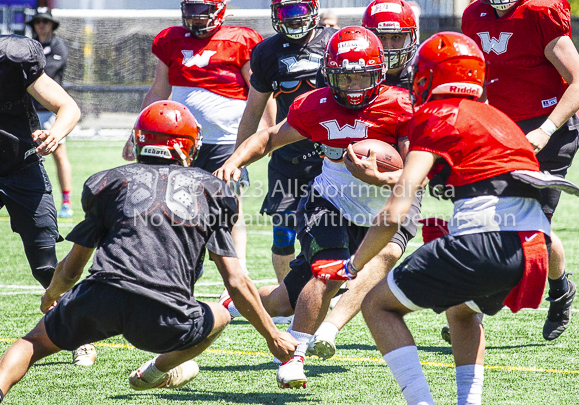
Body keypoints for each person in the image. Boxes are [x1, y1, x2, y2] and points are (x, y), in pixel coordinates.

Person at [322, 32, 579, 405]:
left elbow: (396, 212)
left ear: (426, 78)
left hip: (484, 242)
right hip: (534, 251)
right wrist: (384, 177)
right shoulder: (501, 120)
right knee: (461, 311)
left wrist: (353, 264)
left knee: (376, 305)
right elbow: (473, 175)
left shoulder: (433, 115)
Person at [0, 101, 297, 404]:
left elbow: (72, 269)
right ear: (186, 147)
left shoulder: (107, 182)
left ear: (140, 140)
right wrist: (272, 336)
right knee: (221, 314)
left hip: (103, 297)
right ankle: (157, 371)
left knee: (31, 343)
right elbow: (235, 280)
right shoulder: (212, 191)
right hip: (164, 313)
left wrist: (52, 292)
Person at [216, 27, 415, 388]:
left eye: (362, 76)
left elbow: (416, 174)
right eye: (345, 76)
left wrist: (381, 178)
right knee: (328, 274)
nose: (354, 86)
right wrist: (236, 160)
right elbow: (270, 137)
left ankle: (231, 301)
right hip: (329, 204)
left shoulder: (400, 105)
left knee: (282, 302)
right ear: (328, 73)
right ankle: (295, 358)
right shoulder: (316, 104)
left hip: (376, 213)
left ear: (379, 73)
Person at [460, 0, 579, 341]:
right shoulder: (475, 14)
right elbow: (478, 76)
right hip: (503, 131)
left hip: (549, 132)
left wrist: (545, 130)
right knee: (493, 219)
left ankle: (481, 307)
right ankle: (561, 286)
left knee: (531, 227)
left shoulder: (539, 12)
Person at [304, 0, 422, 361]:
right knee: (301, 290)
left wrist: (387, 175)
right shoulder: (351, 68)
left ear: (413, 39)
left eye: (396, 39)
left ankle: (330, 328)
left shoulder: (423, 73)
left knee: (388, 250)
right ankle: (236, 303)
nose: (387, 50)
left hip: (402, 173)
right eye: (380, 40)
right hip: (343, 180)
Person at [122, 0, 269, 272]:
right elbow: (158, 90)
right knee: (176, 202)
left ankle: (239, 271)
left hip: (228, 140)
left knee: (228, 205)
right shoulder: (171, 38)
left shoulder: (241, 39)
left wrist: (267, 134)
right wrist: (136, 133)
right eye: (191, 10)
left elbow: (259, 91)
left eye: (202, 10)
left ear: (219, 10)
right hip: (179, 141)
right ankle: (186, 265)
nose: (196, 17)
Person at [0, 35, 97, 366]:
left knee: (44, 265)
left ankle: (77, 334)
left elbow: (68, 105)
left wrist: (56, 132)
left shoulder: (12, 59)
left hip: (21, 165)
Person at [236, 0, 336, 284]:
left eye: (299, 10)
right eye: (285, 11)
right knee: (283, 234)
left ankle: (337, 289)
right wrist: (238, 160)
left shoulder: (334, 42)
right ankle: (287, 297)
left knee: (333, 228)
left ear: (313, 9)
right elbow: (253, 109)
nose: (293, 18)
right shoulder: (267, 52)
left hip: (332, 156)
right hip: (288, 156)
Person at [27, 8, 74, 219]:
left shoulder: (58, 45)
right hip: (30, 111)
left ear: (52, 24)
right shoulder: (30, 45)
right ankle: (28, 199)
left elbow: (46, 73)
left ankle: (66, 201)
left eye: (45, 22)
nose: (41, 25)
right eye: (38, 22)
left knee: (58, 154)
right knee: (26, 157)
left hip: (51, 111)